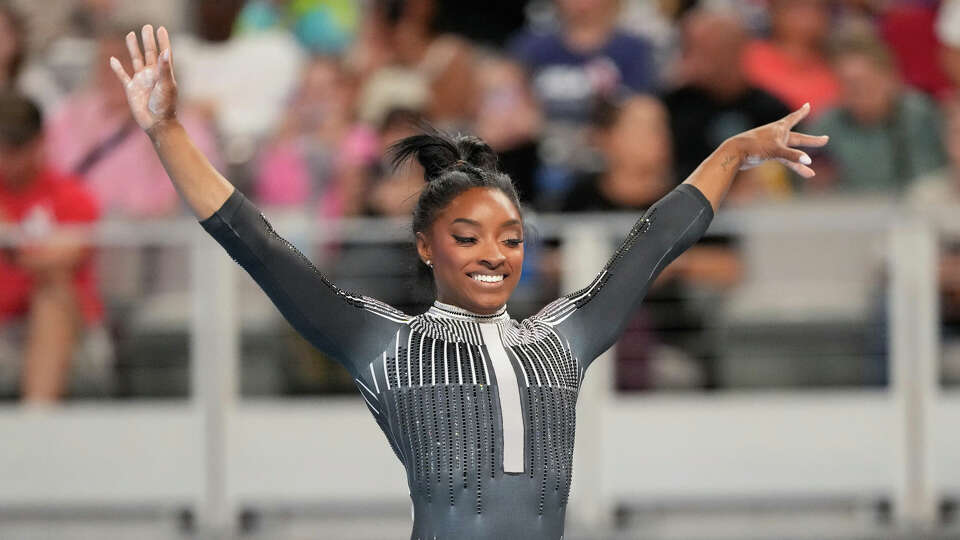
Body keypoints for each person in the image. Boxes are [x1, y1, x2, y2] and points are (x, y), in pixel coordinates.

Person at [110, 24, 826, 539]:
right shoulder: (384, 343)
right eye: (469, 236)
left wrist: (733, 151)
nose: (495, 254)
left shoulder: (561, 337)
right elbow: (259, 247)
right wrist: (167, 132)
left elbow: (656, 239)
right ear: (426, 247)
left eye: (511, 238)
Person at [0, 91, 108, 402]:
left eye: (14, 149)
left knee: (52, 296)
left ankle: (37, 428)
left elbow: (62, 260)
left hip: (72, 327)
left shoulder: (72, 196)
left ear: (38, 143)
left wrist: (10, 240)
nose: (5, 160)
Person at [663, 9, 792, 198]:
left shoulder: (773, 112)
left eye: (707, 49)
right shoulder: (673, 107)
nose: (692, 58)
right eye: (688, 47)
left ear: (736, 50)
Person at [811, 33, 947, 194]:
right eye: (846, 84)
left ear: (890, 78)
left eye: (864, 83)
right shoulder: (825, 126)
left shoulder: (921, 115)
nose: (856, 92)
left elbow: (940, 177)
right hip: (849, 212)